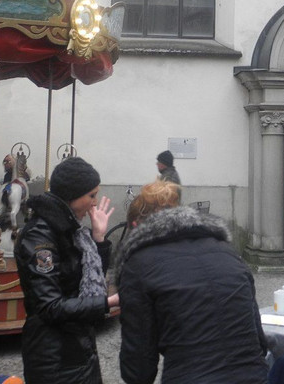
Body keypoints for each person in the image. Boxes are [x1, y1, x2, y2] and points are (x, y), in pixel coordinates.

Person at [114, 181, 268, 384]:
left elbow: (138, 369)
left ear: (134, 227)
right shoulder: (227, 252)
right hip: (254, 376)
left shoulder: (138, 264)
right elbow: (259, 340)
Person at [15, 156, 119, 384]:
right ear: (73, 194)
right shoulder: (40, 236)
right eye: (91, 195)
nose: (95, 203)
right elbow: (49, 306)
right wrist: (107, 303)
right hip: (54, 358)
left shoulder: (71, 229)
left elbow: (86, 281)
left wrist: (99, 239)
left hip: (77, 348)